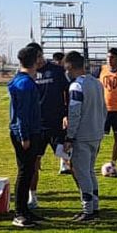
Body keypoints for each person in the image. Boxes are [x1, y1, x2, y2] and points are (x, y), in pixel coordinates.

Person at [64, 51, 107, 222]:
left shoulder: (76, 86)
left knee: (82, 174)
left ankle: (87, 210)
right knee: (90, 171)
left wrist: (69, 137)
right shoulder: (97, 84)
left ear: (70, 67)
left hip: (82, 135)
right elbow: (104, 109)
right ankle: (94, 206)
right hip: (96, 133)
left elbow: (74, 114)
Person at [8, 46, 45, 228]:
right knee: (24, 172)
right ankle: (19, 213)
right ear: (36, 59)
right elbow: (21, 114)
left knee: (29, 171)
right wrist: (24, 136)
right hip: (26, 133)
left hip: (31, 131)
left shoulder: (24, 80)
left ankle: (25, 210)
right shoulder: (24, 84)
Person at [34, 45, 72, 178]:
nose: (37, 61)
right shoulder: (28, 74)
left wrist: (67, 114)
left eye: (38, 56)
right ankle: (32, 197)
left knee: (68, 158)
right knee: (34, 162)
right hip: (37, 126)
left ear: (42, 55)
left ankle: (85, 195)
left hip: (56, 123)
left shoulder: (56, 71)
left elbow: (68, 91)